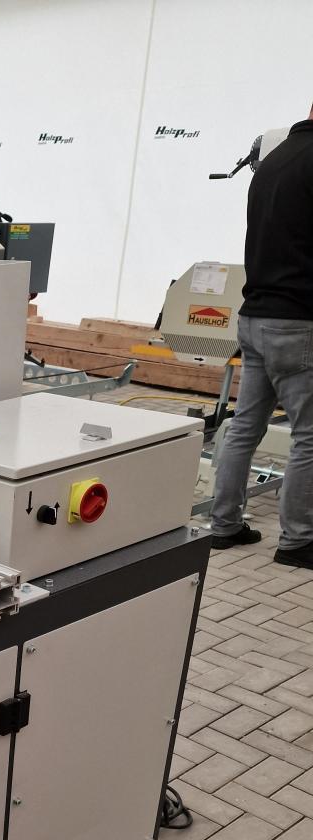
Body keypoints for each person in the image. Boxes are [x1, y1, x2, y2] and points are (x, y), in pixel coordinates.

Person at [210, 108, 313, 566]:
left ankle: (224, 526)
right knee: (309, 436)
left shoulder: (271, 162)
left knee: (244, 428)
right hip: (297, 323)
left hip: (254, 316)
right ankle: (298, 541)